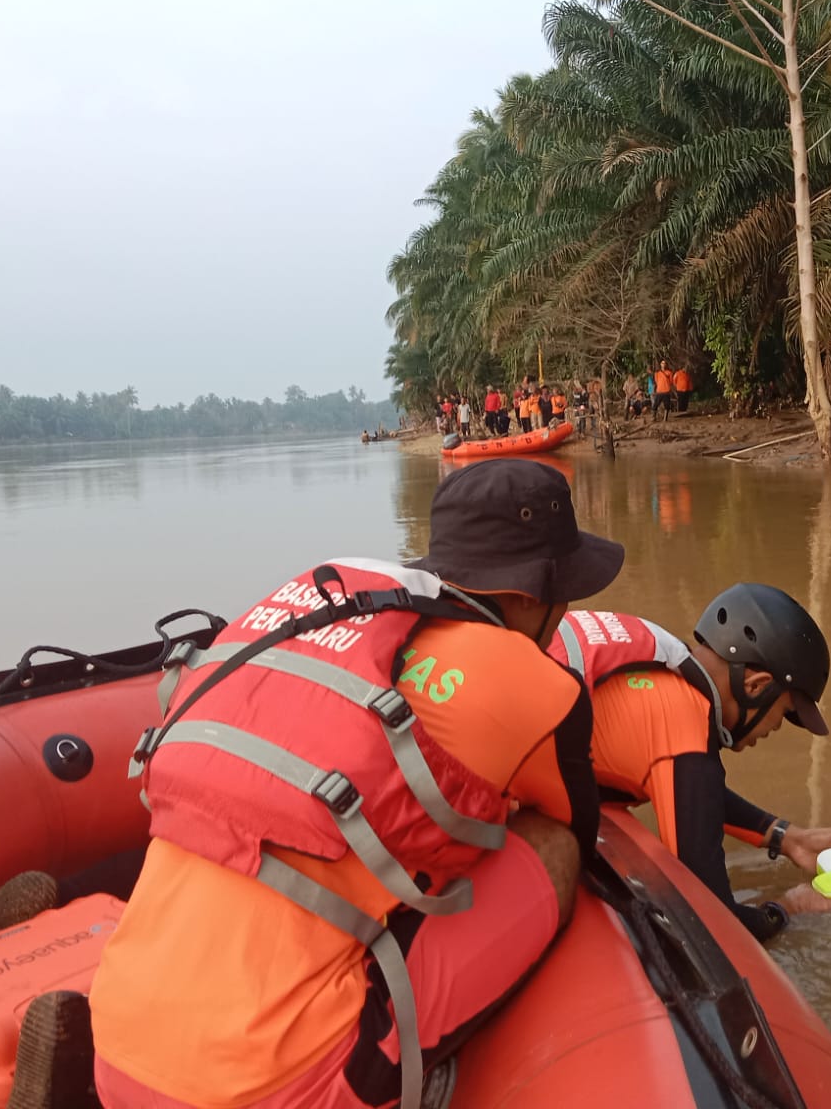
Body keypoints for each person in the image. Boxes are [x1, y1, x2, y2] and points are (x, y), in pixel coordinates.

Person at [86, 460, 622, 1109]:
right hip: (272, 1083)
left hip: (112, 1041)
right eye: (564, 597)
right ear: (532, 598)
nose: (565, 613)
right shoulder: (533, 682)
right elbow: (578, 830)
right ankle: (435, 1083)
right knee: (550, 846)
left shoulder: (304, 621)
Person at [546, 585, 831, 942]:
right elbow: (712, 920)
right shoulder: (685, 732)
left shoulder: (665, 661)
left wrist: (785, 836)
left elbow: (694, 796)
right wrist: (787, 910)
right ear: (757, 687)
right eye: (785, 713)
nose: (775, 728)